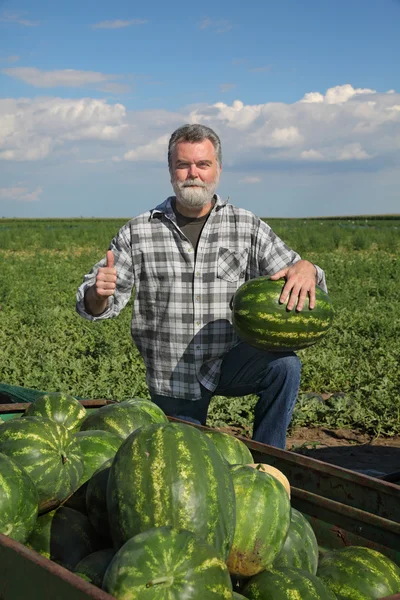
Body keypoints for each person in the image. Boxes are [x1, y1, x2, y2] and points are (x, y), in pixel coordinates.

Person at [76, 124, 327, 449]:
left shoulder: (245, 225)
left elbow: (297, 274)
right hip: (173, 374)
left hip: (229, 360)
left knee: (285, 367)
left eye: (202, 164)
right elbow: (95, 305)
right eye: (183, 165)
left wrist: (307, 268)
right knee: (185, 464)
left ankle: (271, 460)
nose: (193, 173)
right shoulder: (138, 232)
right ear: (170, 171)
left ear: (217, 170)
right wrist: (98, 293)